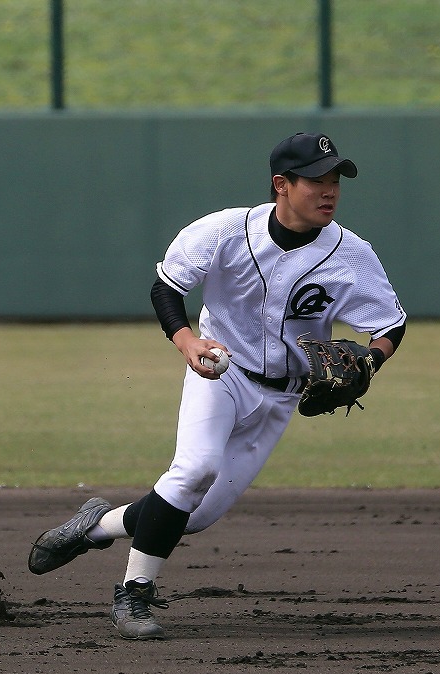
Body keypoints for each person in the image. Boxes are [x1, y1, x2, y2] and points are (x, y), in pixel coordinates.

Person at [27, 132, 407, 640]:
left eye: (335, 180)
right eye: (317, 179)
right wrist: (187, 342)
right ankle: (133, 595)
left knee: (196, 515)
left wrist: (370, 361)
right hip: (219, 372)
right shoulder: (226, 231)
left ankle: (93, 527)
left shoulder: (352, 254)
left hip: (284, 395)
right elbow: (168, 286)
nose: (329, 190)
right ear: (281, 185)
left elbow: (390, 325)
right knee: (193, 470)